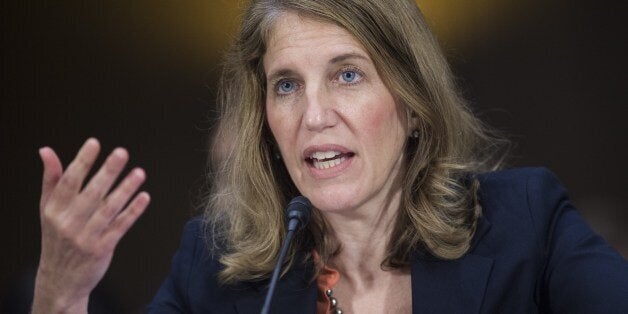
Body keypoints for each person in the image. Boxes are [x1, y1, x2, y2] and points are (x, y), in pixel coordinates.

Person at [32, 0, 628, 313]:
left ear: (414, 103)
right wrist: (60, 296)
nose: (313, 115)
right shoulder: (214, 270)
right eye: (286, 85)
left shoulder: (527, 222)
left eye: (347, 75)